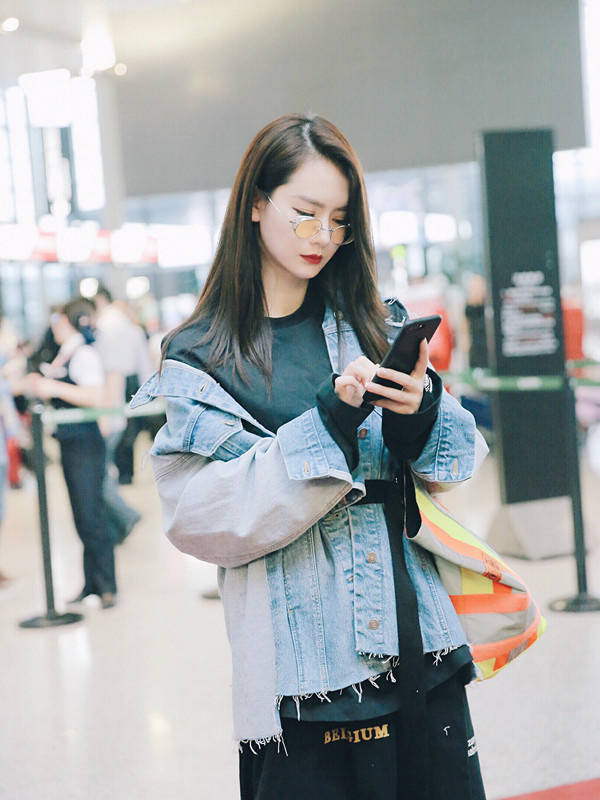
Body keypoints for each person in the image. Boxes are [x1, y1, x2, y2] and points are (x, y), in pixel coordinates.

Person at [131, 114, 488, 799]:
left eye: (339, 220)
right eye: (305, 213)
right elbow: (200, 518)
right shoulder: (203, 356)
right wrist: (327, 425)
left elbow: (456, 463)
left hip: (419, 644)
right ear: (255, 203)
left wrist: (419, 415)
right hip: (303, 675)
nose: (322, 236)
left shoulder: (373, 323)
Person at [27, 300, 117, 609]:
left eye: (59, 319)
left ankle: (107, 585)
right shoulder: (65, 352)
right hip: (70, 443)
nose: (54, 325)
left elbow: (95, 395)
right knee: (81, 515)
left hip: (85, 444)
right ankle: (91, 583)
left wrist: (52, 388)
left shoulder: (83, 354)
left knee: (92, 515)